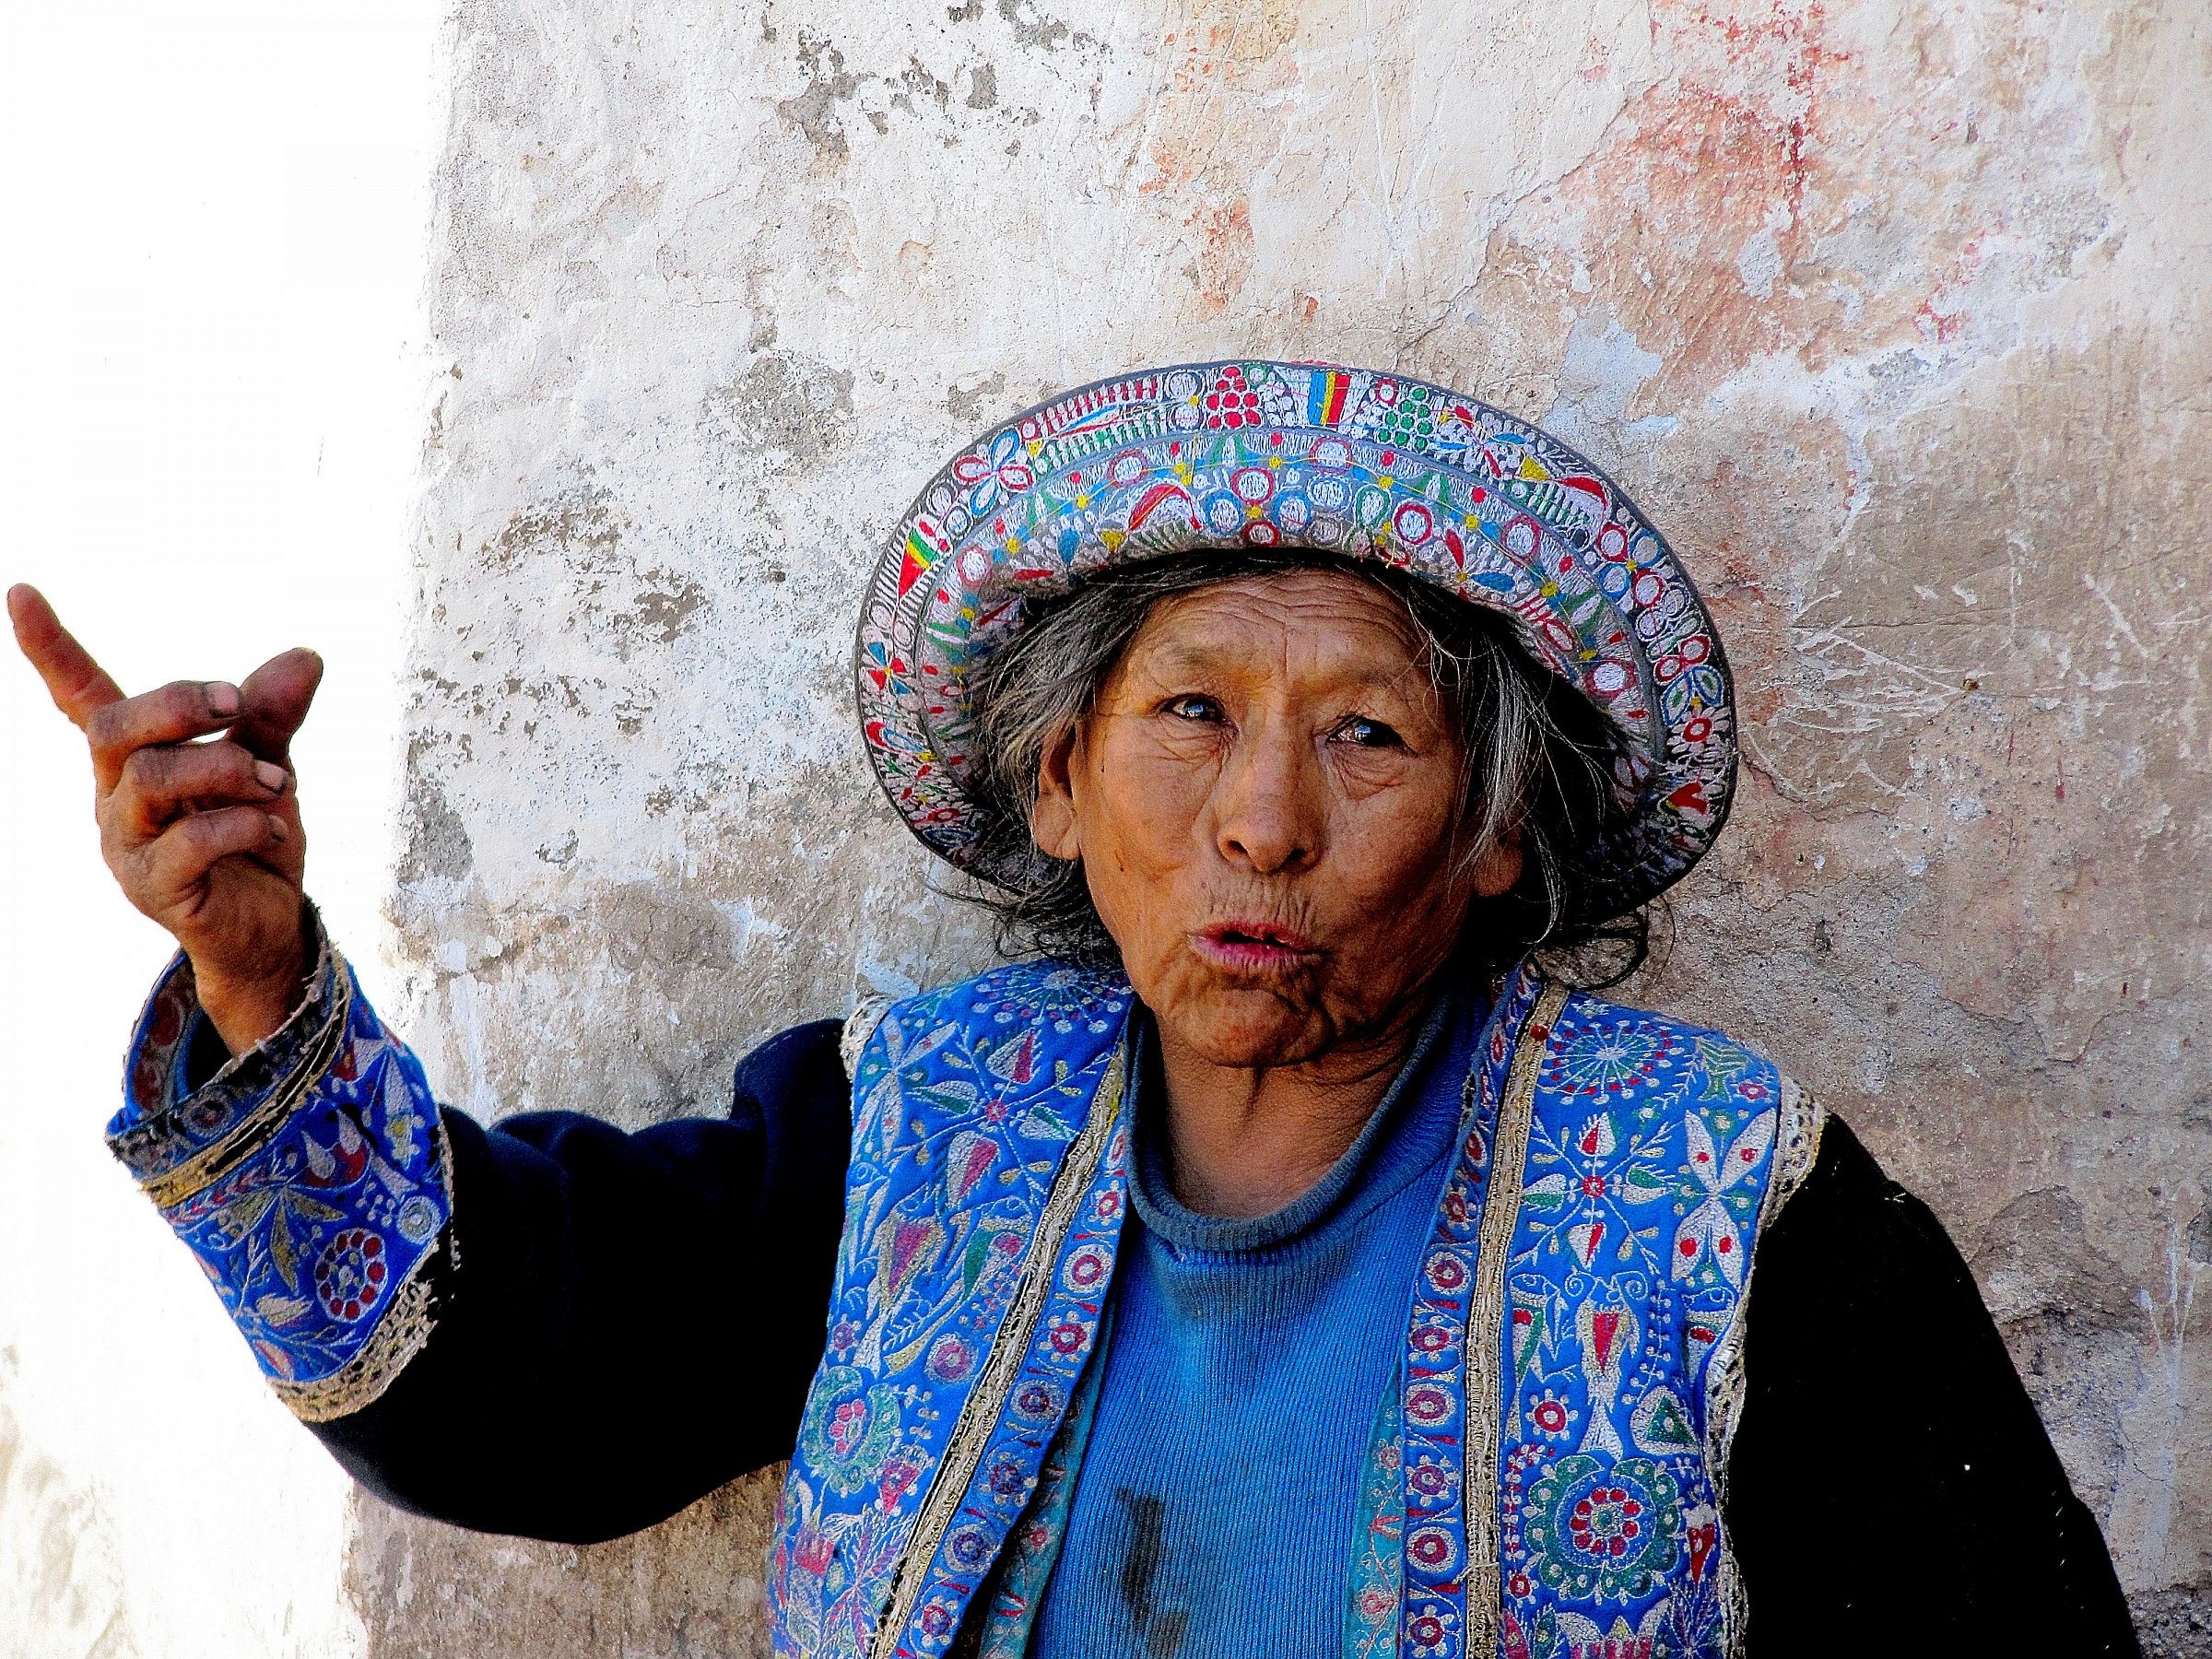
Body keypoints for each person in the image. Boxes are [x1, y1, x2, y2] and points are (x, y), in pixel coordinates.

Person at [13, 361, 2137, 1658]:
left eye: (1372, 743)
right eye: (1188, 715)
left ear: (1498, 833)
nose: (1263, 825)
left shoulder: (1723, 1207)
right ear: (1059, 781)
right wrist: (260, 973)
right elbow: (508, 1387)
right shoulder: (915, 1127)